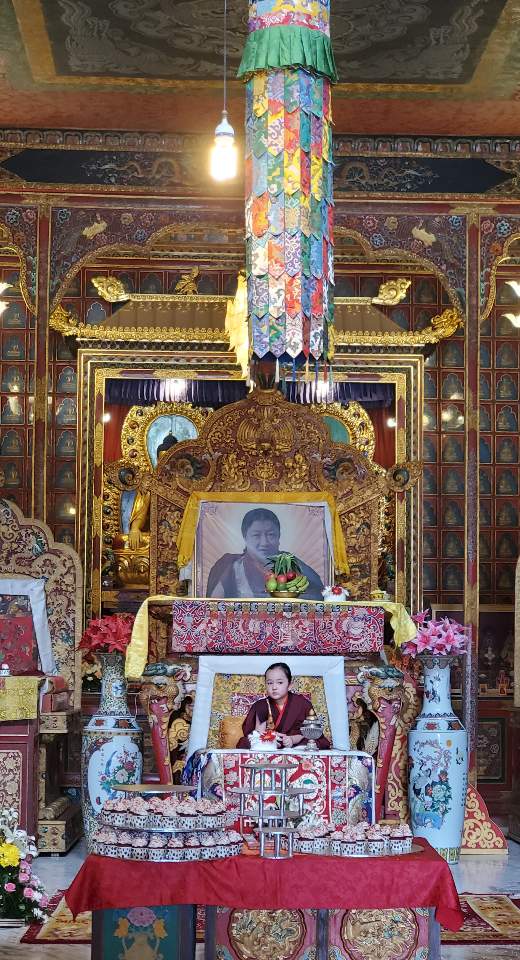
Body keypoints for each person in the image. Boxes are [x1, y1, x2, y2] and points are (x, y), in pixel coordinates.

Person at [206, 507, 324, 599]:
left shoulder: (291, 563)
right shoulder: (231, 566)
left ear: (278, 536)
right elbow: (214, 606)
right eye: (256, 535)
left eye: (271, 535)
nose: (264, 543)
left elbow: (318, 596)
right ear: (245, 537)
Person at [236, 662, 330, 750]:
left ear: (289, 685)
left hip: (295, 742)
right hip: (270, 742)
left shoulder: (302, 704)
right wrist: (272, 737)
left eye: (280, 682)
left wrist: (292, 739)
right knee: (245, 742)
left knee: (312, 742)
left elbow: (311, 732)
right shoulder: (261, 705)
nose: (274, 687)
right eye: (270, 683)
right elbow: (258, 735)